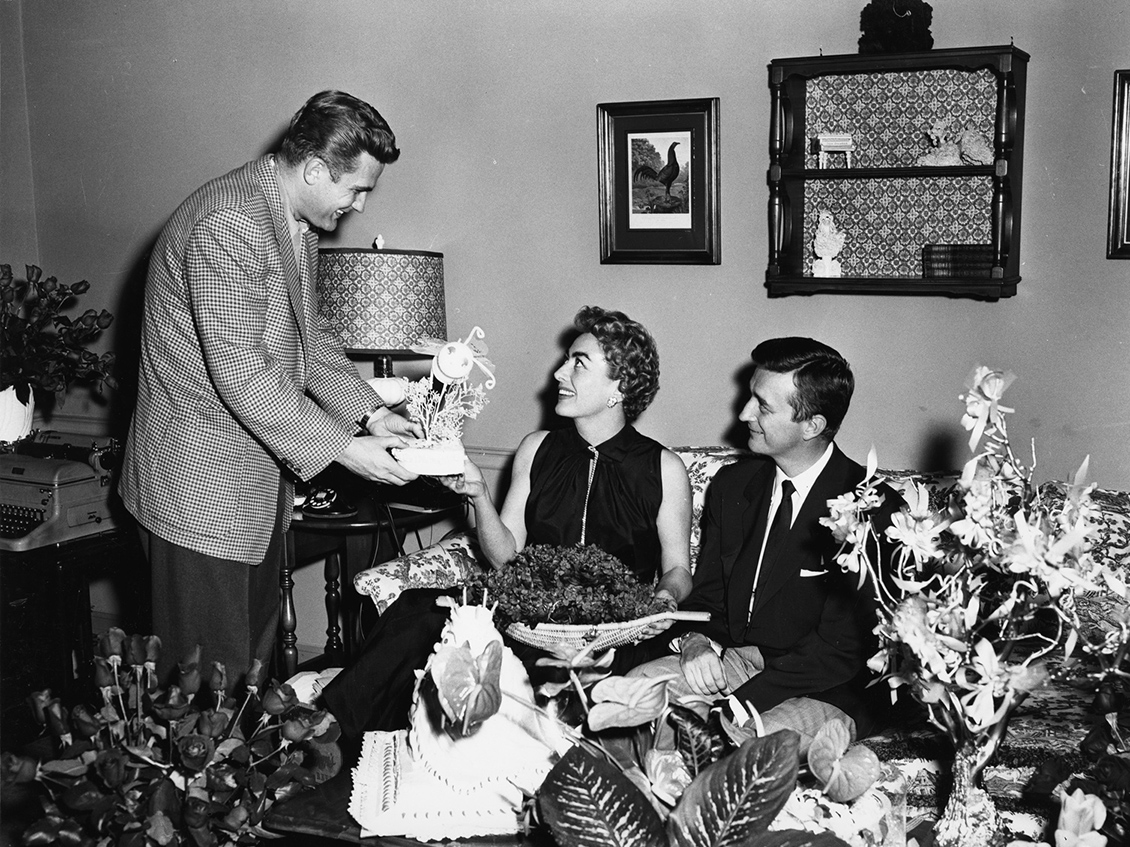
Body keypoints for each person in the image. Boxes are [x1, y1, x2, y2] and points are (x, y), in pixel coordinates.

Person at [119, 90, 422, 684]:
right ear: (313, 169)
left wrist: (367, 416)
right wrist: (343, 448)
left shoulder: (294, 218)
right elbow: (242, 371)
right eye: (356, 189)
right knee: (205, 691)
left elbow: (312, 344)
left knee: (247, 676)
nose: (359, 206)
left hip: (251, 492)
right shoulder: (229, 222)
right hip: (199, 495)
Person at [321, 306, 694, 737]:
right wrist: (480, 496)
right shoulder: (537, 448)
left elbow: (678, 570)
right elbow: (506, 558)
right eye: (565, 359)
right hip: (529, 620)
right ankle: (334, 734)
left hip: (611, 630)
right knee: (417, 612)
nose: (558, 373)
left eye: (578, 363)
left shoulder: (663, 468)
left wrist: (664, 598)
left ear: (620, 386)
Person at [628, 336, 895, 752]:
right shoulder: (734, 485)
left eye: (763, 406)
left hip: (826, 685)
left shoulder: (870, 507)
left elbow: (839, 652)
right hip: (737, 660)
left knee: (740, 741)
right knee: (632, 697)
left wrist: (735, 705)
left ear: (812, 425)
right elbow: (709, 593)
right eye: (751, 396)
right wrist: (695, 642)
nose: (744, 412)